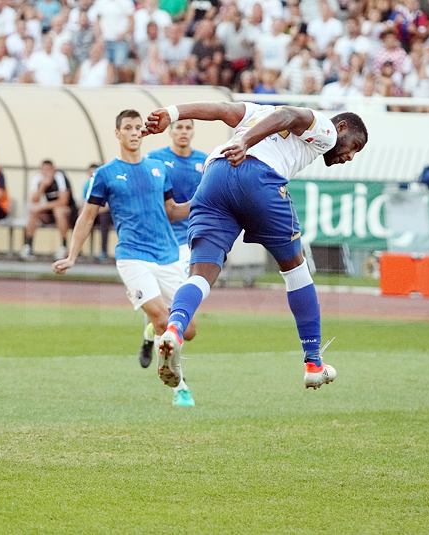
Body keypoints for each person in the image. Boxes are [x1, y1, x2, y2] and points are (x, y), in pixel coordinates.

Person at [141, 101, 367, 391]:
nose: (349, 156)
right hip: (257, 175)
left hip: (215, 176)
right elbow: (288, 115)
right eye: (355, 146)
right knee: (296, 271)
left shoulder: (257, 111)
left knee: (200, 273)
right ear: (342, 127)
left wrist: (172, 113)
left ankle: (174, 329)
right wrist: (245, 142)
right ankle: (313, 362)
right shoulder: (325, 128)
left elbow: (221, 110)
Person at [52, 110, 197, 407]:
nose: (133, 132)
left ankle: (161, 348)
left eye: (137, 128)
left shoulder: (158, 168)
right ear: (117, 133)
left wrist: (201, 202)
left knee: (189, 329)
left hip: (168, 255)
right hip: (132, 256)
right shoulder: (104, 174)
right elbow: (87, 216)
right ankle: (179, 384)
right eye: (127, 128)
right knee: (160, 317)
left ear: (143, 133)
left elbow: (172, 211)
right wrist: (72, 255)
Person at [140, 118, 207, 368]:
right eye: (179, 127)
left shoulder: (205, 161)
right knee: (176, 315)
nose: (183, 131)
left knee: (187, 327)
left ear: (192, 132)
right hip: (160, 243)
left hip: (191, 241)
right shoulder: (154, 159)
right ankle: (175, 375)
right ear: (170, 132)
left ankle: (151, 332)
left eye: (188, 127)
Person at [20, 160, 78, 260]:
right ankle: (28, 245)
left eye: (49, 170)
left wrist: (42, 206)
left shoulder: (60, 178)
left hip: (68, 213)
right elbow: (34, 200)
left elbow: (63, 201)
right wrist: (42, 187)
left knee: (58, 211)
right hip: (48, 213)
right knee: (33, 211)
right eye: (44, 170)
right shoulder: (37, 179)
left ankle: (64, 246)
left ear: (54, 170)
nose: (46, 173)